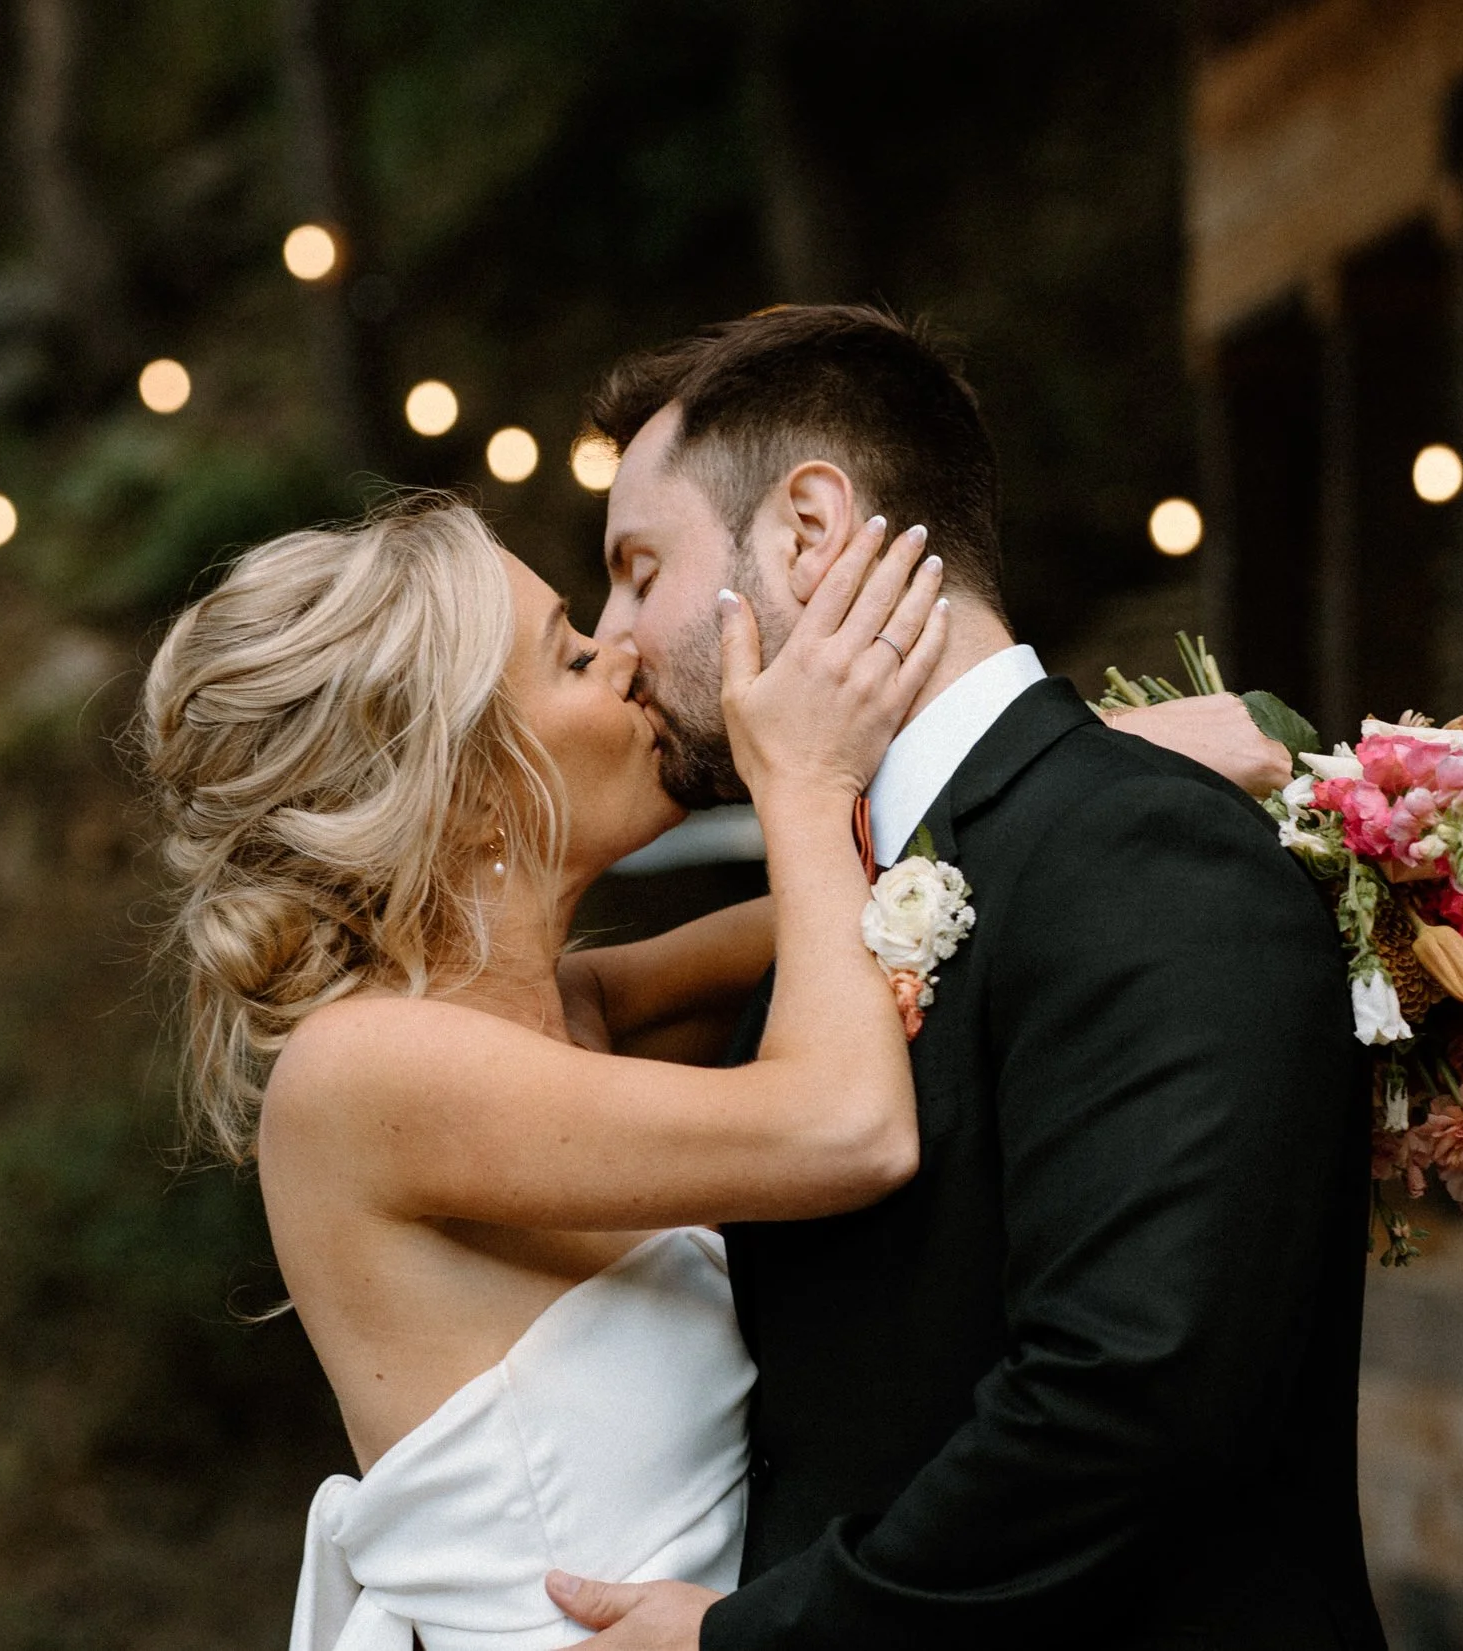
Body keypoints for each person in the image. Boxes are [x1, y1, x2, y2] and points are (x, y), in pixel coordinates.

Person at [136, 491, 1275, 1651]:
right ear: (471, 776)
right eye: (572, 655)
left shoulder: (569, 1009)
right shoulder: (361, 1070)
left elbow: (891, 893)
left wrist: (1103, 761)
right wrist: (805, 780)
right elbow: (846, 1125)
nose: (628, 657)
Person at [547, 305, 1387, 1650]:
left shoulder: (1147, 851)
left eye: (641, 568)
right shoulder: (844, 904)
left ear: (811, 532)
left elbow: (1130, 1403)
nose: (619, 636)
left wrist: (747, 1639)